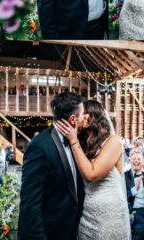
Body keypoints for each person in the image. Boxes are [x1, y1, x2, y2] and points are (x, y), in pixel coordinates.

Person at [56, 99, 130, 240]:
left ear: (93, 115)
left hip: (109, 214)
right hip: (87, 213)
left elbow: (91, 174)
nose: (79, 116)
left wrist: (73, 141)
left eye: (83, 113)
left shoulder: (113, 141)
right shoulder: (83, 143)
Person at [18, 92, 85, 240]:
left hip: (69, 230)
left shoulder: (76, 142)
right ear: (73, 119)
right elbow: (30, 204)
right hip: (50, 232)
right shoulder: (40, 146)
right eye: (82, 115)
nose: (84, 119)